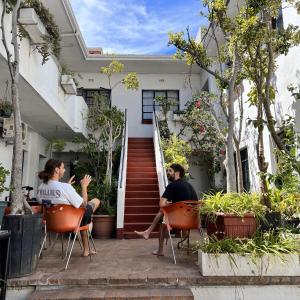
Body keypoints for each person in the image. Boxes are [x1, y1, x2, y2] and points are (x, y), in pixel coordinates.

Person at [37, 159, 100, 257]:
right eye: (62, 168)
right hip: (71, 222)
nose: (64, 170)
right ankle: (86, 244)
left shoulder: (41, 187)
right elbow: (83, 203)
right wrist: (84, 186)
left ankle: (86, 246)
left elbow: (53, 201)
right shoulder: (64, 187)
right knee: (94, 202)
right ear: (57, 170)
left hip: (51, 224)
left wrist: (68, 187)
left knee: (82, 214)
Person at [135, 163, 198, 256]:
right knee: (165, 211)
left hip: (179, 222)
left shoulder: (172, 186)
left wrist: (168, 205)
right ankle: (147, 232)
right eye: (167, 171)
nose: (168, 173)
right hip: (193, 221)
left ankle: (158, 247)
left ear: (177, 173)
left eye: (170, 171)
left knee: (162, 212)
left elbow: (161, 204)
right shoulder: (190, 186)